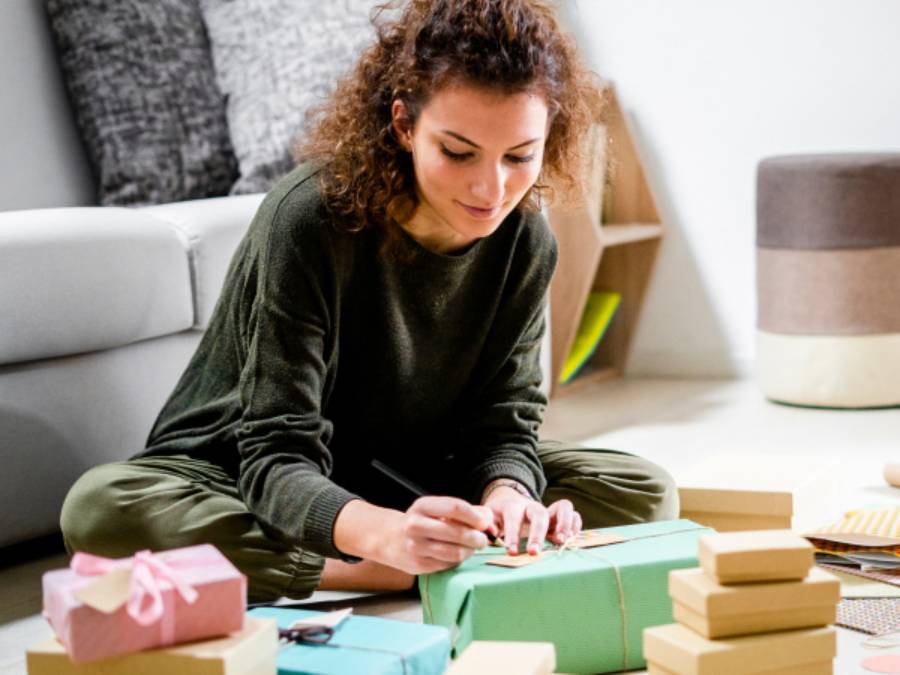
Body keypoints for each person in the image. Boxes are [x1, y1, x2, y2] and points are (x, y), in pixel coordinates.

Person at [60, 0, 678, 603]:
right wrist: (382, 538)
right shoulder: (307, 220)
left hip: (403, 468)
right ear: (404, 124)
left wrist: (509, 496)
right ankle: (369, 571)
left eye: (520, 156)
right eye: (458, 152)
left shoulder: (526, 242)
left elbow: (503, 422)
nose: (492, 190)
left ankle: (448, 544)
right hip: (247, 471)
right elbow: (276, 453)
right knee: (100, 509)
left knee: (642, 490)